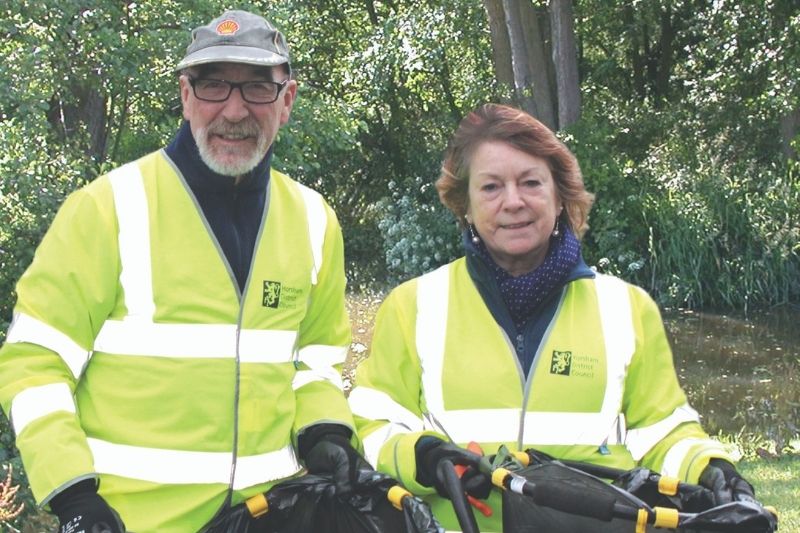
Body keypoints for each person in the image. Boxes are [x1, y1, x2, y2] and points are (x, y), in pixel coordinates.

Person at [0, 10, 370, 533]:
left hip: (272, 518)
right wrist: (74, 496)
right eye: (214, 85)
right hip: (131, 523)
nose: (235, 109)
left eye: (258, 88)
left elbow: (315, 361)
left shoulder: (314, 220)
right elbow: (34, 363)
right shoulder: (106, 208)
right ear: (186, 95)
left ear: (286, 101)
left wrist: (326, 435)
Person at [348, 103, 758, 531]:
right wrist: (422, 456)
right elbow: (372, 425)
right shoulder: (414, 303)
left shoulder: (626, 308)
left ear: (560, 197)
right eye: (490, 187)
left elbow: (662, 431)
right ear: (464, 204)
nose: (513, 202)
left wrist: (712, 468)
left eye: (530, 183)